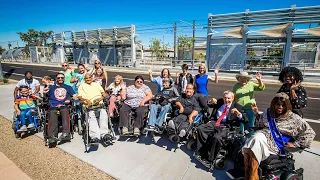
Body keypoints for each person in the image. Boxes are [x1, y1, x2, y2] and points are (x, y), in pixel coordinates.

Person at [242, 93, 315, 180]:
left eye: (283, 105)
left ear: (287, 105)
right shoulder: (268, 112)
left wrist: (296, 144)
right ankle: (251, 175)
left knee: (254, 142)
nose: (280, 107)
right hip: (262, 137)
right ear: (274, 104)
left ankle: (251, 177)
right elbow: (261, 124)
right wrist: (257, 114)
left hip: (276, 144)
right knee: (249, 148)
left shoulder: (294, 118)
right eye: (278, 105)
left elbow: (310, 133)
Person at [194, 90, 247, 167]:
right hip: (215, 122)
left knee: (217, 137)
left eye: (229, 98)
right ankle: (202, 151)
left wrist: (238, 114)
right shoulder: (220, 102)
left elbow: (245, 120)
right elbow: (208, 105)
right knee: (200, 129)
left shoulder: (237, 106)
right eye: (225, 98)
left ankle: (210, 159)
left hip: (227, 125)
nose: (226, 100)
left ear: (232, 98)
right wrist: (210, 101)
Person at [45, 73, 77, 145]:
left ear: (64, 78)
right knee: (52, 113)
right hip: (54, 106)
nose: (60, 79)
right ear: (56, 78)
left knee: (65, 111)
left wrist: (71, 98)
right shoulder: (52, 88)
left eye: (62, 78)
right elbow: (45, 96)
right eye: (59, 78)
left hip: (64, 106)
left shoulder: (68, 87)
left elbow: (75, 95)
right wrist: (44, 90)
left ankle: (66, 133)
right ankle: (52, 136)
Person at [78, 74, 109, 143]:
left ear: (92, 78)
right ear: (84, 79)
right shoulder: (82, 86)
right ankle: (95, 137)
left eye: (89, 78)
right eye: (86, 78)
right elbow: (80, 97)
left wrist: (100, 98)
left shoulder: (97, 84)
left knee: (104, 114)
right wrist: (86, 100)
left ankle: (104, 134)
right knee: (92, 117)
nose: (88, 79)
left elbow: (104, 94)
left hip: (100, 105)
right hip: (89, 106)